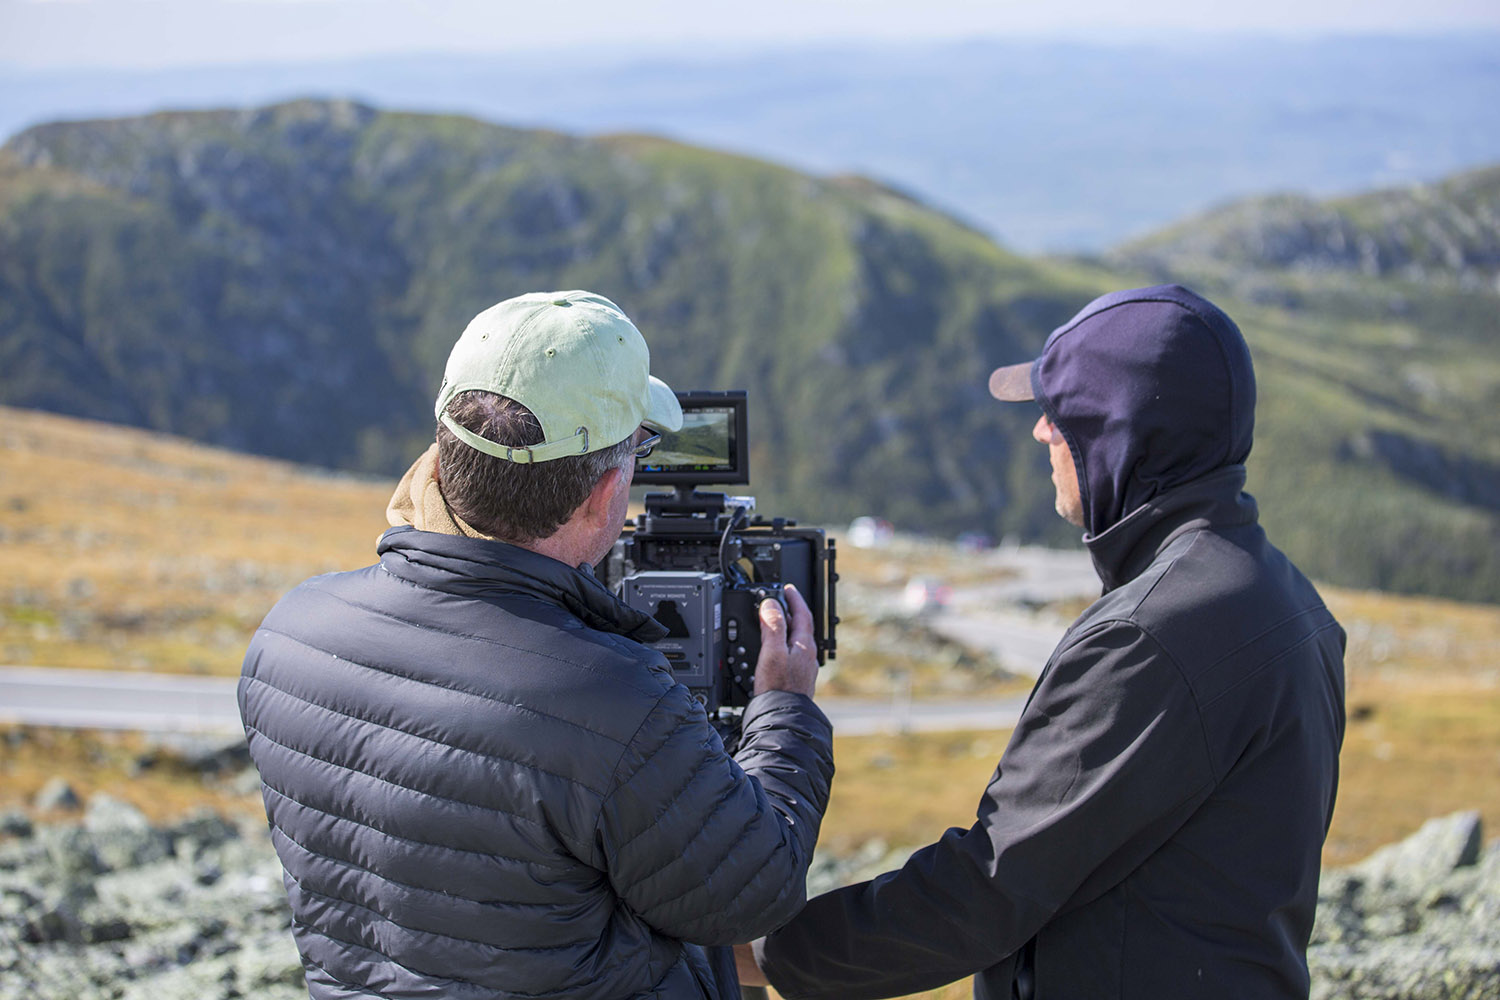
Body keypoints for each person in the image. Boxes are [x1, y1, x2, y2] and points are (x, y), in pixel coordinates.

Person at [741, 284, 1346, 999]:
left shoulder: (1149, 637)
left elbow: (985, 890)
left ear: (1115, 431)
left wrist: (758, 954)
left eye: (1059, 412)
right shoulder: (1280, 591)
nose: (1040, 434)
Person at [238, 290, 834, 1000]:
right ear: (602, 492)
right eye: (641, 448)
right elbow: (749, 892)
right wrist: (785, 710)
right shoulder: (611, 702)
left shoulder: (289, 633)